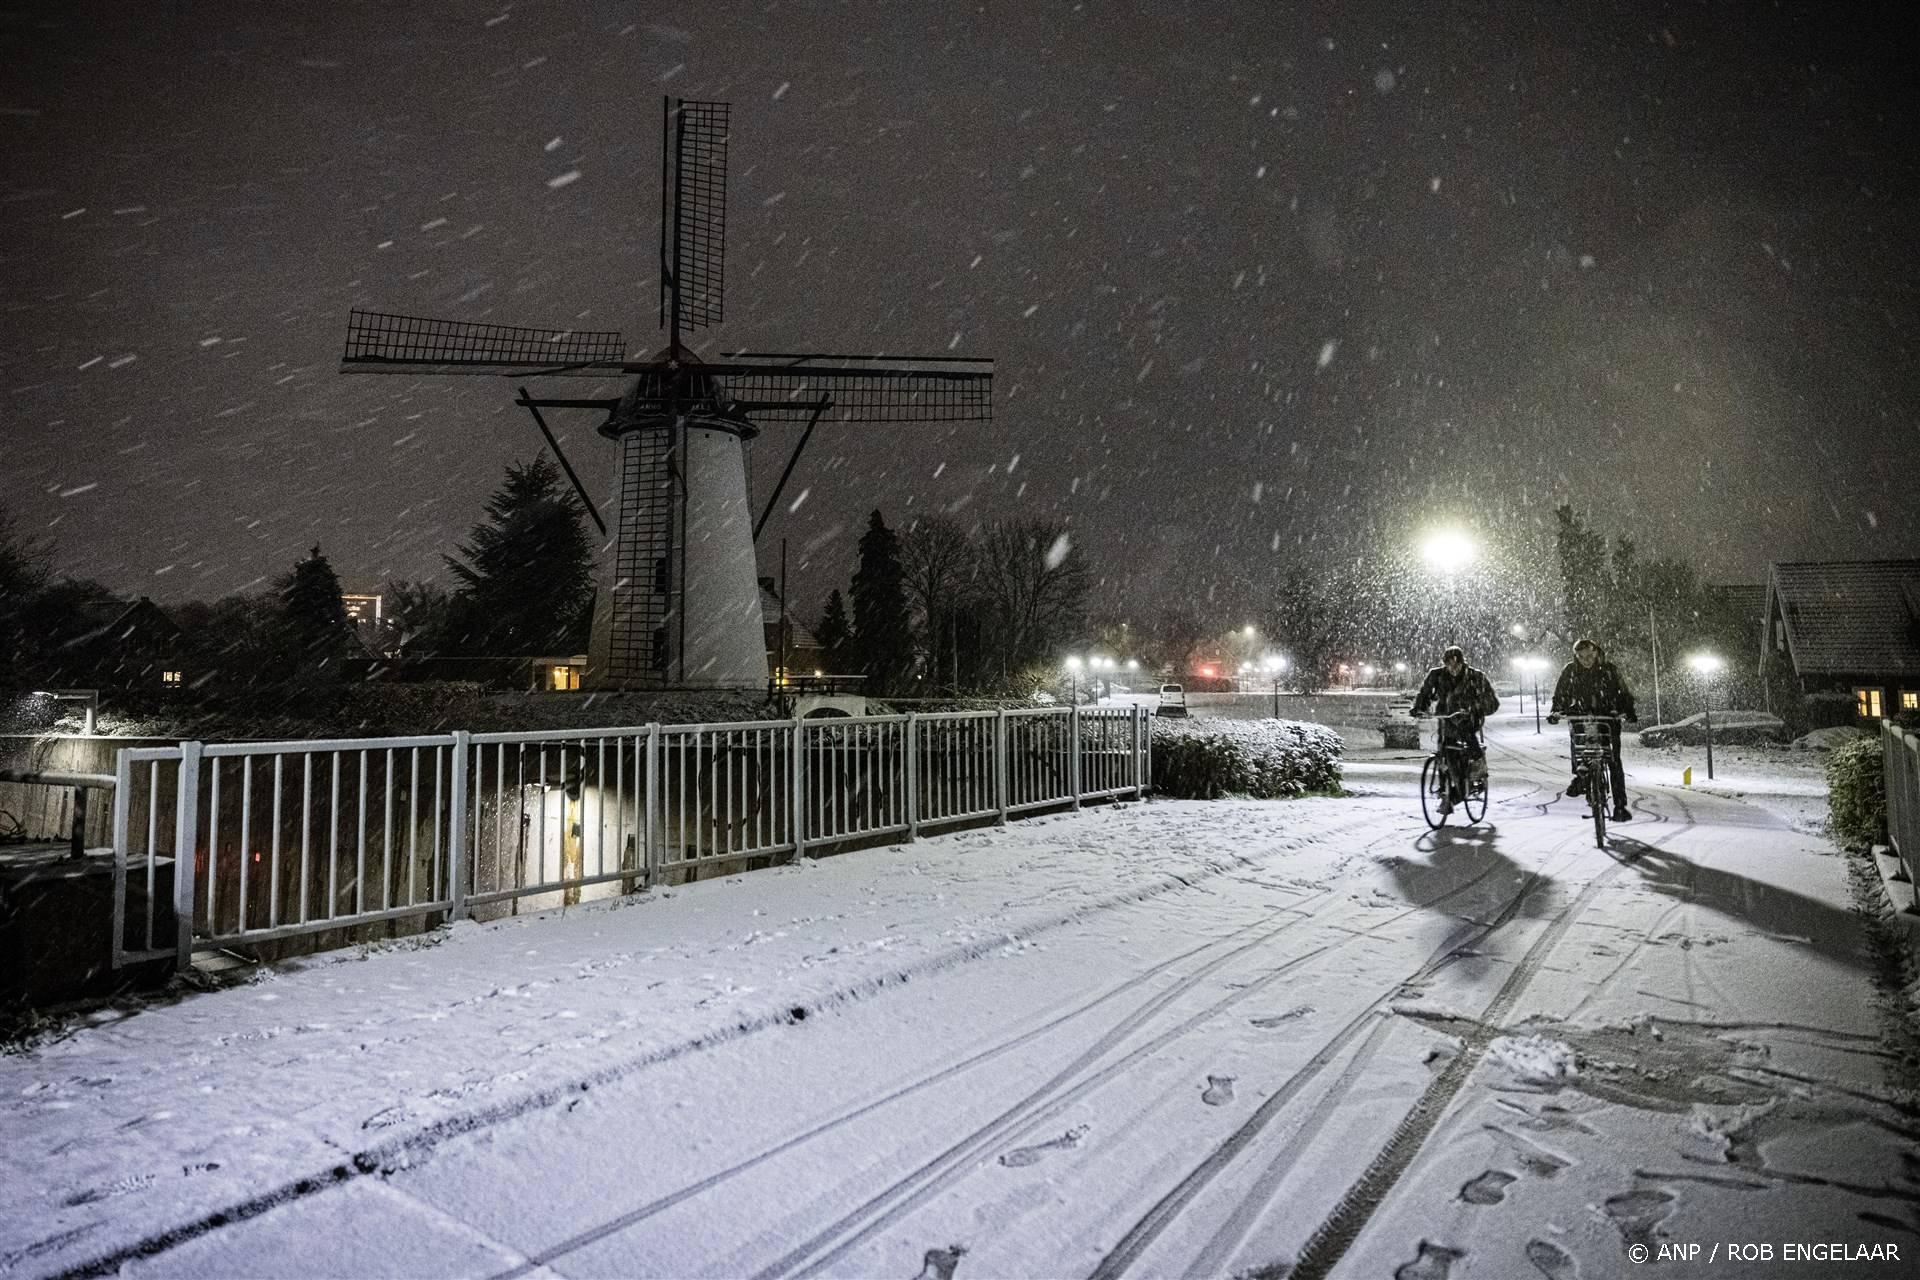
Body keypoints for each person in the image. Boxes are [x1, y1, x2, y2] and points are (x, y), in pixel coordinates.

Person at [1546, 638, 1636, 821]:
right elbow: (1561, 693)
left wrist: (1627, 710)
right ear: (1576, 656)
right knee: (1579, 747)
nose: (1586, 660)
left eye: (1589, 656)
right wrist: (1556, 711)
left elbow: (1623, 692)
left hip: (1607, 717)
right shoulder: (1570, 671)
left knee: (1612, 759)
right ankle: (1581, 776)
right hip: (1580, 715)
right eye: (1581, 657)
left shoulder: (1609, 670)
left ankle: (1620, 805)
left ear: (1596, 652)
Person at [1410, 645, 1501, 814]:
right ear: (1444, 664)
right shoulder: (1436, 675)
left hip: (1469, 719)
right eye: (1449, 665)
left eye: (1457, 665)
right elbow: (1425, 694)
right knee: (1444, 752)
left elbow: (1492, 703)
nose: (1453, 669)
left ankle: (1466, 782)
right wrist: (1419, 708)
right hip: (1446, 720)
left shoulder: (1476, 677)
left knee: (1465, 739)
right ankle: (1446, 788)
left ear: (1462, 663)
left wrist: (1474, 708)